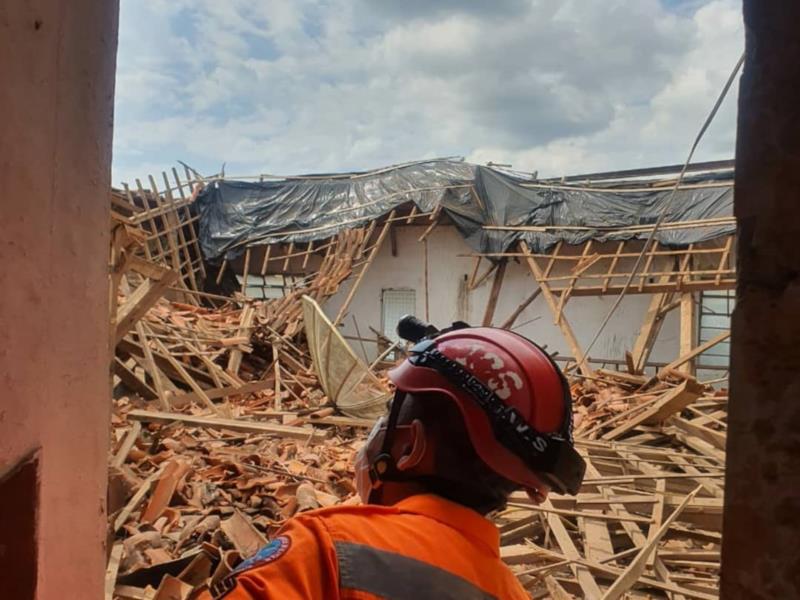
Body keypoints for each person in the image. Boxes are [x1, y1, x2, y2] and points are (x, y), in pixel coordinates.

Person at [200, 317, 586, 599]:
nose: (378, 430)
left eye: (388, 415)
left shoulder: (325, 551)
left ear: (411, 446)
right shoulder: (512, 593)